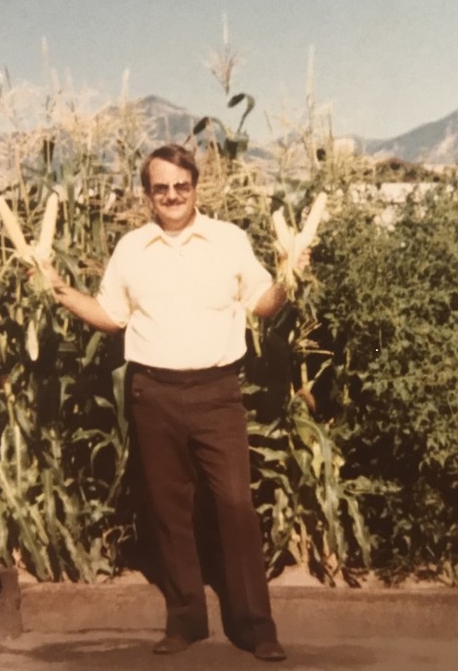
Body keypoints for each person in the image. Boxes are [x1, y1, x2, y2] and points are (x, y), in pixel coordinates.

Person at [43, 143, 296, 662]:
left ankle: (256, 626)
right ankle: (185, 622)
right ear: (148, 194)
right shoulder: (131, 249)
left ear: (195, 187)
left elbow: (264, 305)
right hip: (152, 393)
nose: (172, 195)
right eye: (161, 188)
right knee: (169, 509)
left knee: (235, 505)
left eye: (181, 185)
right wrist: (61, 291)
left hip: (217, 392)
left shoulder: (228, 240)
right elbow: (113, 315)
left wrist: (289, 277)